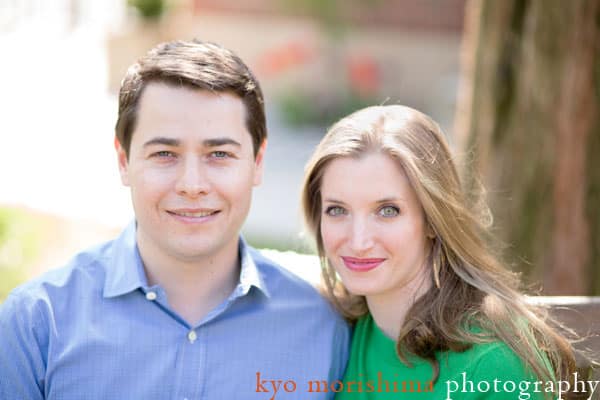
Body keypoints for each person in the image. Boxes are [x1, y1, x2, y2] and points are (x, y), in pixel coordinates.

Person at [0, 39, 349, 399]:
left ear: (257, 162)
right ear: (124, 161)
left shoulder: (322, 328)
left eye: (219, 153)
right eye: (165, 153)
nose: (192, 185)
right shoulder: (38, 324)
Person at [301, 105, 576, 399]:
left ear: (433, 220)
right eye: (337, 210)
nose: (358, 241)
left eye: (387, 210)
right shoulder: (339, 327)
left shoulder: (495, 364)